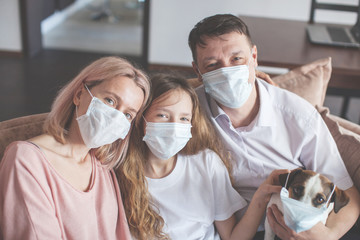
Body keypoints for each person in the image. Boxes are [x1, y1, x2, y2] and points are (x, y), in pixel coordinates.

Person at [188, 14, 360, 240]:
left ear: (254, 57)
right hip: (233, 230)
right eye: (212, 65)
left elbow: (346, 192)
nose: (227, 73)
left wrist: (327, 235)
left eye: (237, 59)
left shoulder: (298, 115)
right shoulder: (186, 111)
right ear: (198, 71)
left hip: (302, 223)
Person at [117, 73, 288, 240]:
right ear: (141, 118)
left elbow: (233, 236)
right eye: (162, 115)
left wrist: (261, 195)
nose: (174, 126)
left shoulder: (207, 163)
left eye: (184, 119)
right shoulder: (120, 171)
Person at [0, 56, 150, 239]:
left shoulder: (101, 167)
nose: (115, 117)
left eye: (128, 114)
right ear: (79, 94)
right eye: (110, 101)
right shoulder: (25, 160)